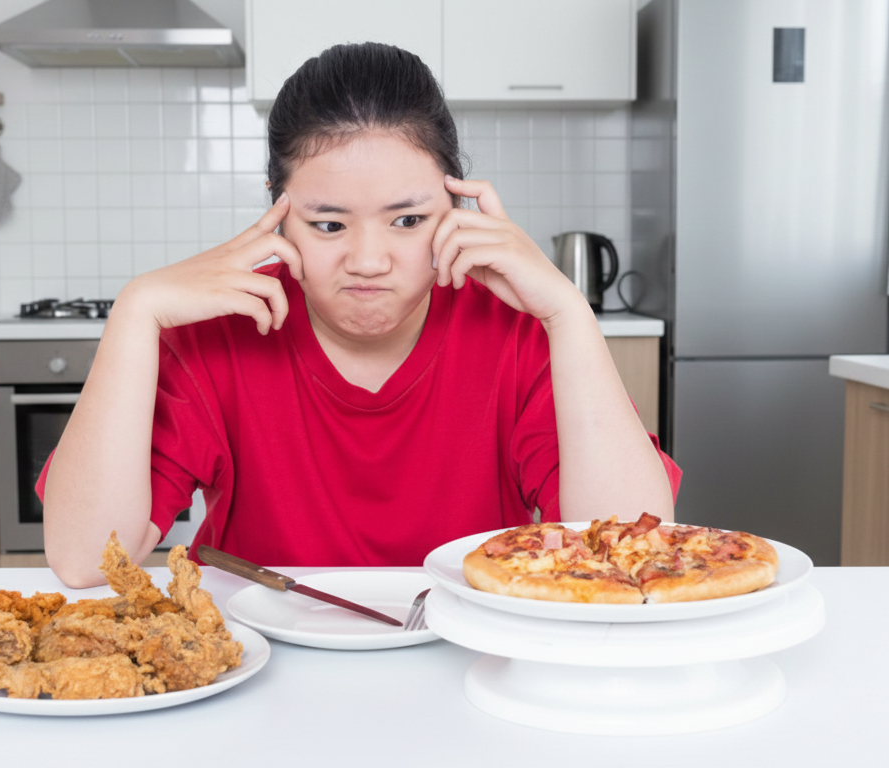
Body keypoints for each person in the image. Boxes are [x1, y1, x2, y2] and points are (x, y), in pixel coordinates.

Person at [40, 42, 681, 588]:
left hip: (470, 658)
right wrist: (136, 310)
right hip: (258, 662)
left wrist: (569, 312)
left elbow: (629, 551)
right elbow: (83, 559)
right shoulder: (218, 332)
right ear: (277, 211)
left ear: (457, 205)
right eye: (329, 224)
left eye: (407, 220)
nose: (368, 262)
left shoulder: (518, 328)